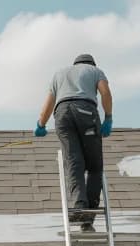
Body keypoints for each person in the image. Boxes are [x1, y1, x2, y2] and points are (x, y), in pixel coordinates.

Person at [35, 54, 113, 231]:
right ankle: (88, 216)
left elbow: (49, 103)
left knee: (73, 162)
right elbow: (105, 93)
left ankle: (79, 205)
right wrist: (108, 117)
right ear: (92, 64)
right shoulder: (95, 71)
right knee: (94, 167)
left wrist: (41, 124)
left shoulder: (59, 74)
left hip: (62, 115)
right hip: (85, 112)